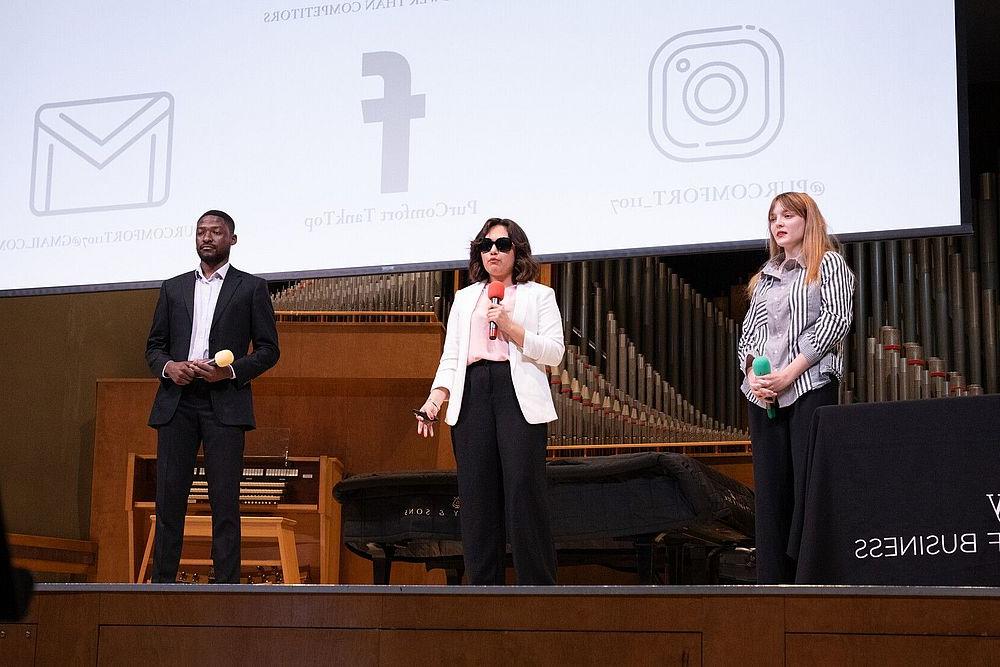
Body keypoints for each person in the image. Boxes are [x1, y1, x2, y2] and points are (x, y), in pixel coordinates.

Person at [415, 218, 564, 585]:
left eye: (501, 244)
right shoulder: (466, 298)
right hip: (473, 393)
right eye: (486, 245)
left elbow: (556, 353)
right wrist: (436, 400)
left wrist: (512, 328)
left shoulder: (539, 295)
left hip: (517, 393)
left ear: (517, 250)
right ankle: (483, 594)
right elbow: (451, 357)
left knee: (523, 493)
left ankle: (539, 592)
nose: (493, 251)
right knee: (477, 498)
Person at [145, 210, 280, 583]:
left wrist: (230, 371)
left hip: (225, 402)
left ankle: (226, 590)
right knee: (169, 501)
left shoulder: (251, 288)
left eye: (216, 232)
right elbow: (154, 347)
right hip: (177, 402)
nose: (207, 237)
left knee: (225, 503)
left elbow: (269, 350)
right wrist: (169, 367)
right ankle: (161, 587)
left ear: (231, 240)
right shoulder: (172, 288)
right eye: (201, 232)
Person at [737, 192, 854, 584]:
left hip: (808, 386)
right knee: (770, 493)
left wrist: (790, 372)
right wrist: (754, 372)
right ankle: (771, 581)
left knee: (807, 486)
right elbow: (749, 334)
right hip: (765, 394)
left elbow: (835, 320)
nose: (779, 223)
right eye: (773, 218)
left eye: (787, 215)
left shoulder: (829, 264)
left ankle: (810, 578)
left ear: (809, 220)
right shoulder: (766, 275)